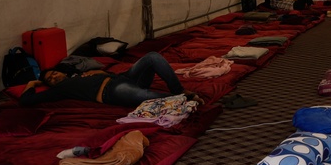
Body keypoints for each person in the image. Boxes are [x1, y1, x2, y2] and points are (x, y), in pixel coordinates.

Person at [19, 51, 197, 108]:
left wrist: (98, 73)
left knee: (152, 57)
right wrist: (33, 83)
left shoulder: (76, 74)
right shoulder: (61, 89)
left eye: (54, 73)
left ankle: (178, 90)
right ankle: (184, 99)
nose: (54, 76)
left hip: (122, 78)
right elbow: (26, 100)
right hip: (112, 91)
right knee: (148, 96)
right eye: (50, 79)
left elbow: (95, 62)